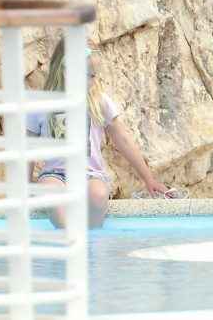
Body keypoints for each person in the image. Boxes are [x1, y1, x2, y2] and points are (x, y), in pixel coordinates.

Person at [27, 40, 175, 229]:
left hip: (90, 174)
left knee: (97, 196)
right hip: (55, 175)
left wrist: (148, 178)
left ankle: (92, 240)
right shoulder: (41, 105)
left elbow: (123, 140)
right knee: (52, 194)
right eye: (89, 75)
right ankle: (69, 238)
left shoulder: (99, 102)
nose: (93, 81)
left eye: (94, 76)